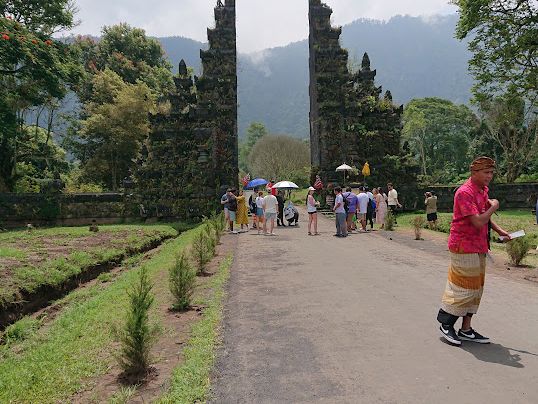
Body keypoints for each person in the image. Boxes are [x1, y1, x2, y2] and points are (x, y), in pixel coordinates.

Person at [437, 156, 510, 346]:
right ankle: (446, 324)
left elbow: (484, 217)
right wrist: (494, 207)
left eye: (491, 172)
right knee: (463, 288)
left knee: (476, 289)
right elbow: (477, 221)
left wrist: (500, 231)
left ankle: (466, 329)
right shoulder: (464, 192)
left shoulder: (482, 190)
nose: (490, 176)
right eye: (486, 172)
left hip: (479, 245)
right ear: (474, 172)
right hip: (463, 245)